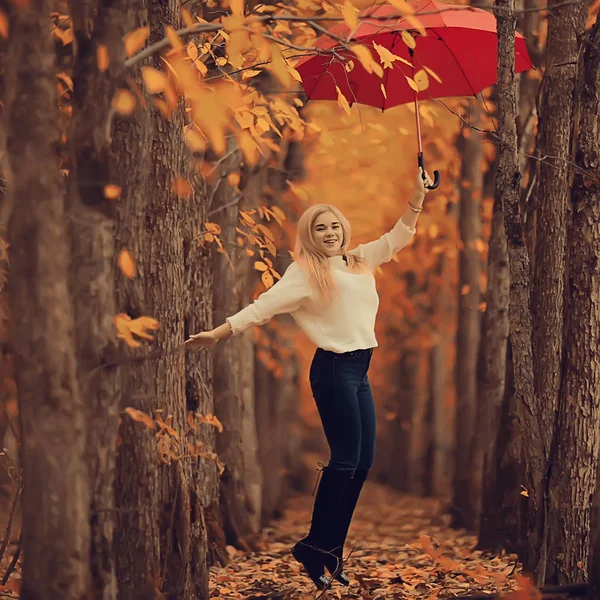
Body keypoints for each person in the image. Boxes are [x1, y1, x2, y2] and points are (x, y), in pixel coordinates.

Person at [186, 168, 433, 589]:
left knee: (362, 463)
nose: (331, 232)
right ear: (310, 235)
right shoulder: (303, 272)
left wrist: (418, 194)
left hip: (360, 370)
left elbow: (398, 237)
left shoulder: (358, 260)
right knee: (345, 460)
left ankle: (329, 550)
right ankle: (314, 546)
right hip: (334, 369)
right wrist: (219, 332)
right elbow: (262, 307)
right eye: (321, 228)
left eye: (335, 225)